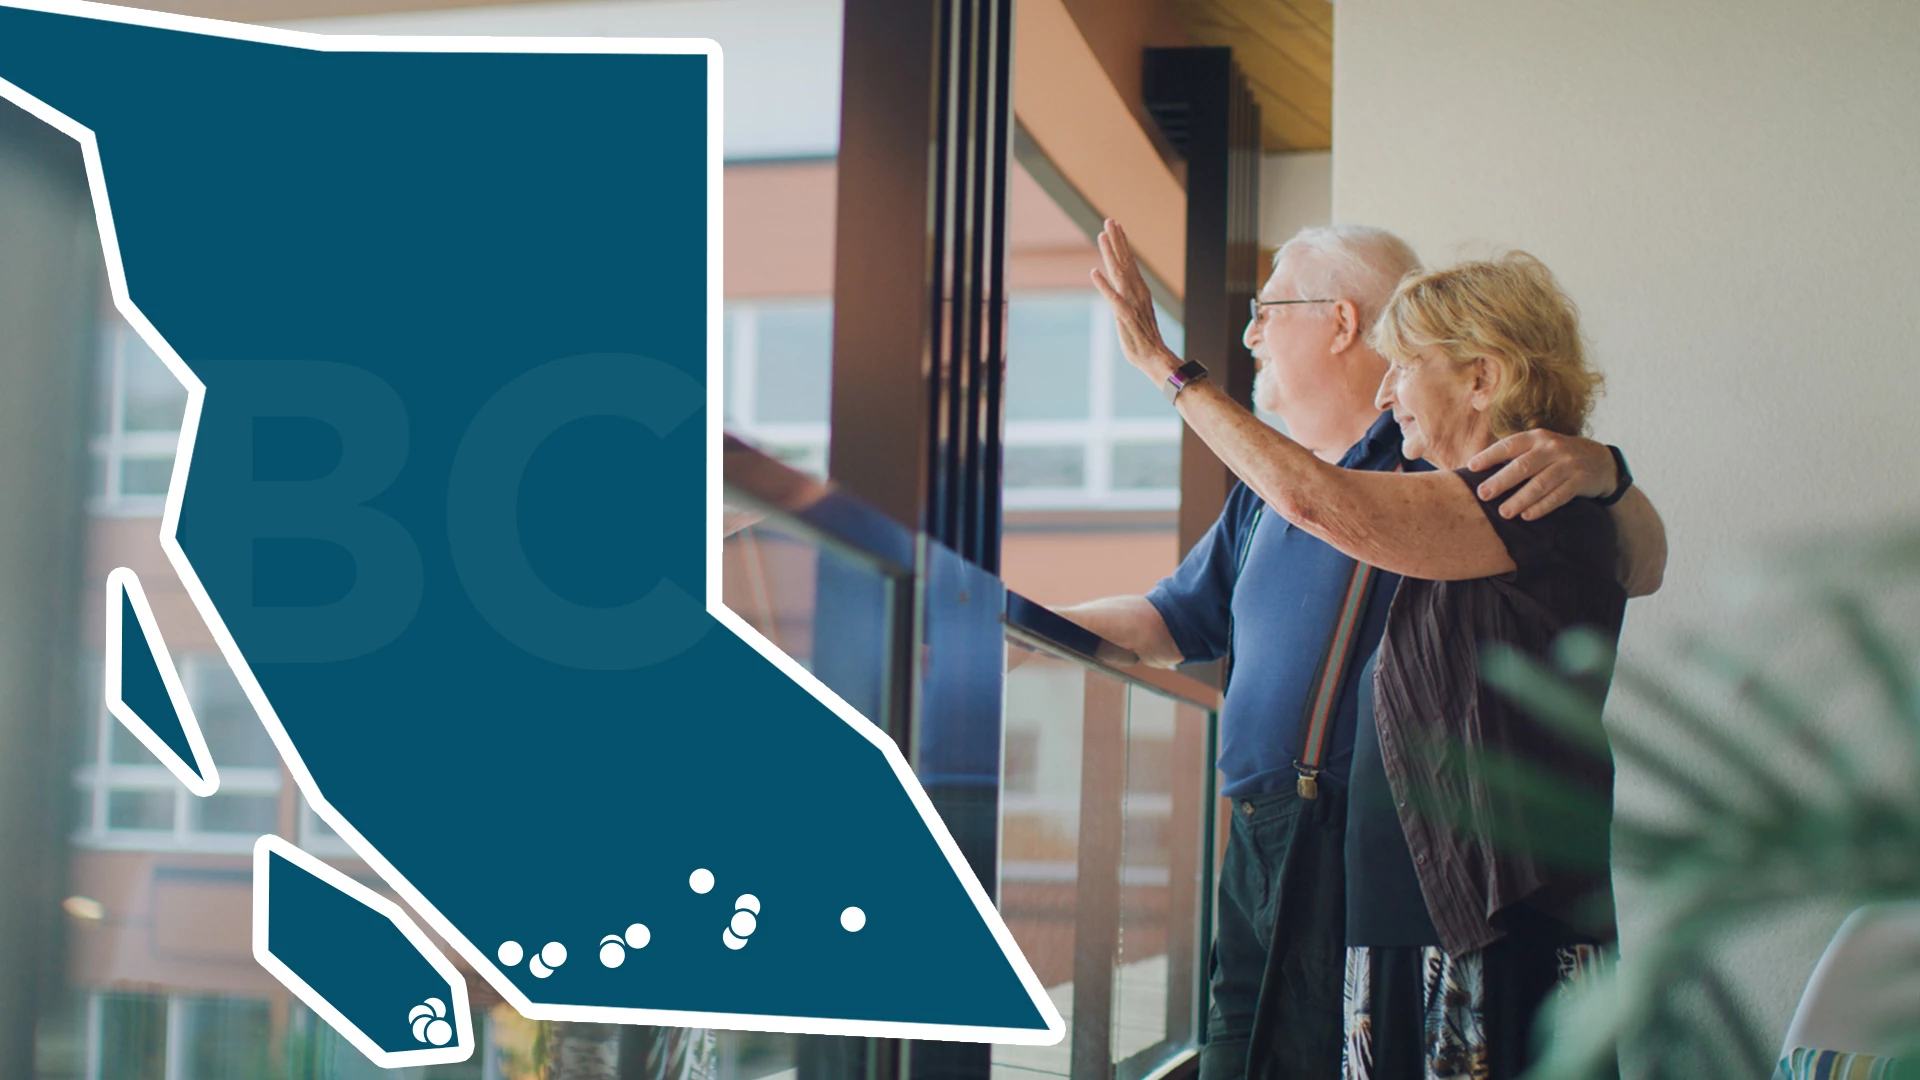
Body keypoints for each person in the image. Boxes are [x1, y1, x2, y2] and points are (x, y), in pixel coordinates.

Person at [1060, 223, 1665, 1080]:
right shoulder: (1432, 496)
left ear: (1482, 378)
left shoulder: (1519, 498)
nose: (1388, 393)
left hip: (1468, 897)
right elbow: (1179, 610)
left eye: (1407, 365)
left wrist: (1167, 367)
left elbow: (1324, 504)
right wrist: (1020, 623)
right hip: (1387, 882)